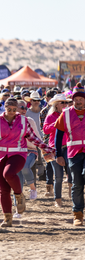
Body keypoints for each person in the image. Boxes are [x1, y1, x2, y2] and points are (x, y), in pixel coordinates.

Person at [0, 98, 54, 227]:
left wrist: (47, 148)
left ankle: (19, 195)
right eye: (9, 109)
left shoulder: (23, 121)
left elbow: (33, 138)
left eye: (14, 110)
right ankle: (7, 218)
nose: (12, 112)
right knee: (3, 189)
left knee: (8, 174)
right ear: (5, 108)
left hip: (18, 154)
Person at [53, 85, 85, 226]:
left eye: (81, 99)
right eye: (76, 99)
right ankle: (78, 214)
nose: (78, 102)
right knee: (77, 184)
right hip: (73, 153)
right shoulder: (66, 114)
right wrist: (59, 154)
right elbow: (58, 136)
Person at [43, 94, 72, 207]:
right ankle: (58, 199)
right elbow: (45, 130)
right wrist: (56, 125)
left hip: (69, 146)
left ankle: (71, 191)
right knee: (58, 175)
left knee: (71, 171)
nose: (65, 104)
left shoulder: (69, 115)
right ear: (56, 105)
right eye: (63, 103)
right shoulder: (50, 116)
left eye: (66, 102)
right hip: (54, 148)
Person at [16, 100, 43, 205]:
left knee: (25, 166)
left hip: (30, 150)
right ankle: (18, 207)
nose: (24, 110)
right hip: (16, 152)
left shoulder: (30, 120)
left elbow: (38, 138)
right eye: (21, 107)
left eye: (25, 108)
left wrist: (45, 150)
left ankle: (32, 188)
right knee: (17, 180)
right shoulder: (10, 122)